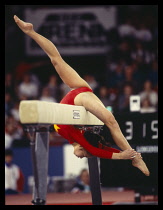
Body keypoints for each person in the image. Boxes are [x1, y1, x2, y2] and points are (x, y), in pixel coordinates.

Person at [14, 15, 150, 176]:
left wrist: (120, 155)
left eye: (83, 155)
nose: (81, 156)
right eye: (86, 155)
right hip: (79, 97)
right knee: (111, 121)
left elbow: (95, 150)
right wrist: (122, 155)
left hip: (75, 95)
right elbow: (97, 150)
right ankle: (136, 158)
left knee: (56, 60)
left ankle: (31, 31)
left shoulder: (72, 137)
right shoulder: (81, 140)